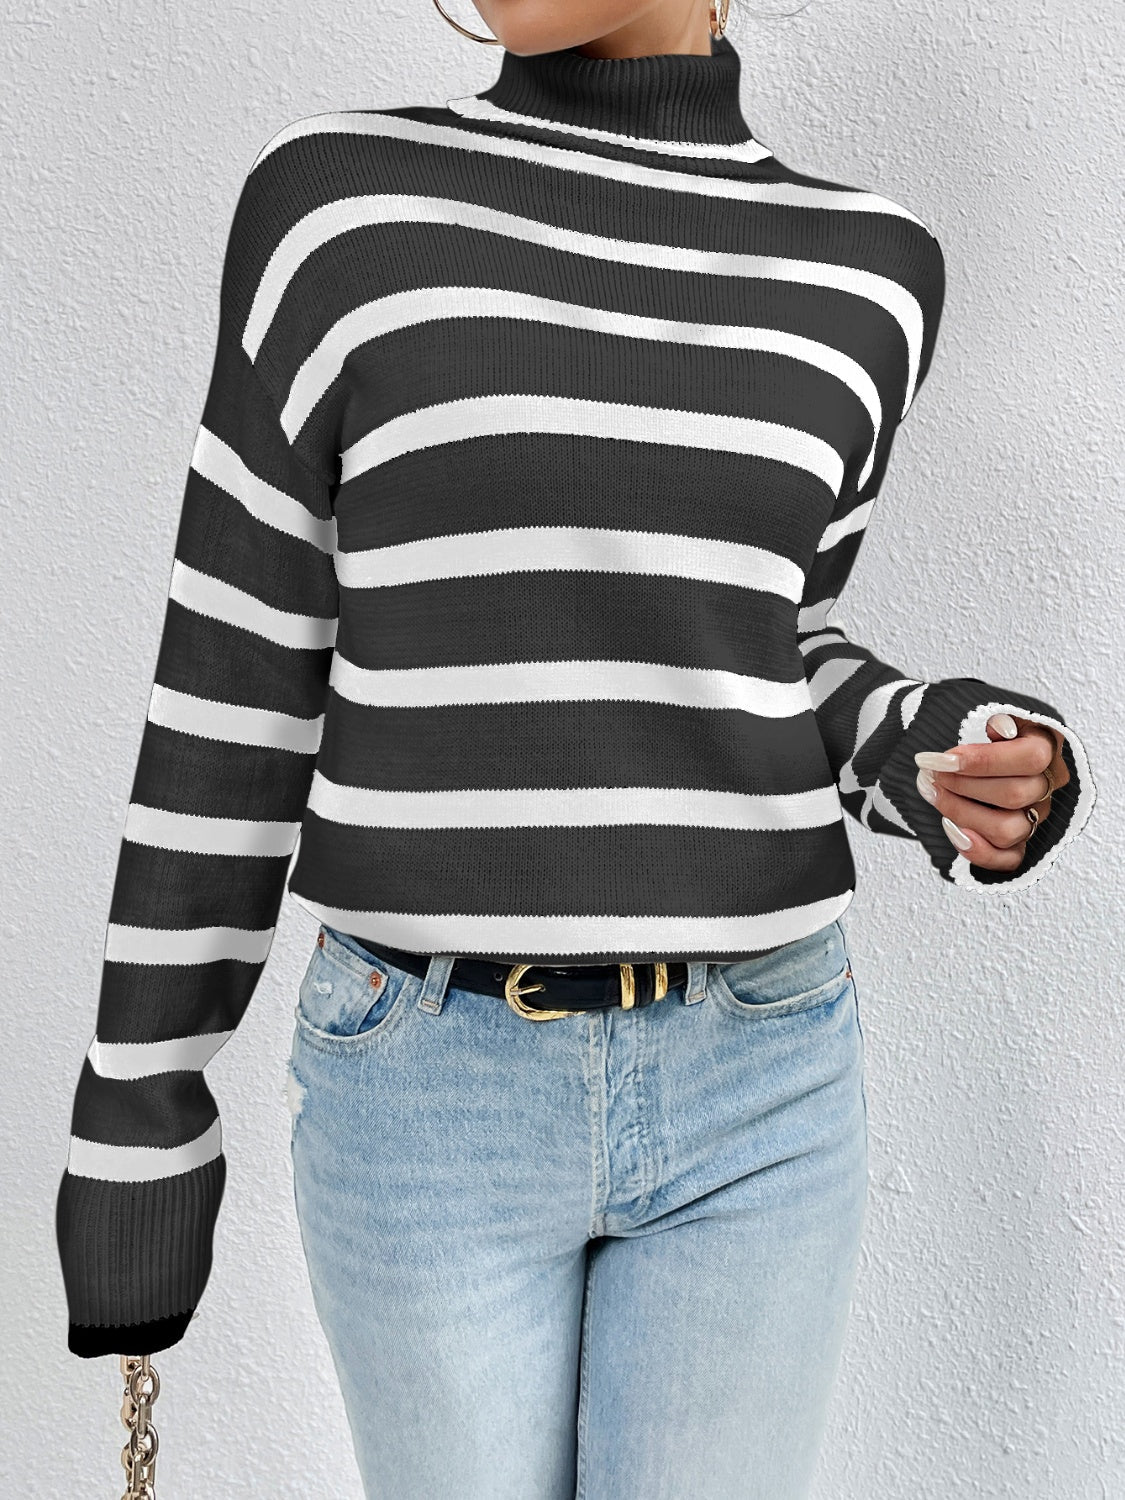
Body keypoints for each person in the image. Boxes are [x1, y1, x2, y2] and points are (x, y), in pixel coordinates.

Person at [56, 1, 1096, 1495]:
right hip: (428, 1082)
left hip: (764, 1067)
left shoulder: (873, 271)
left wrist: (919, 745)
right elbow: (234, 678)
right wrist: (140, 1111)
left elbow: (762, 638)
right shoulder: (337, 206)